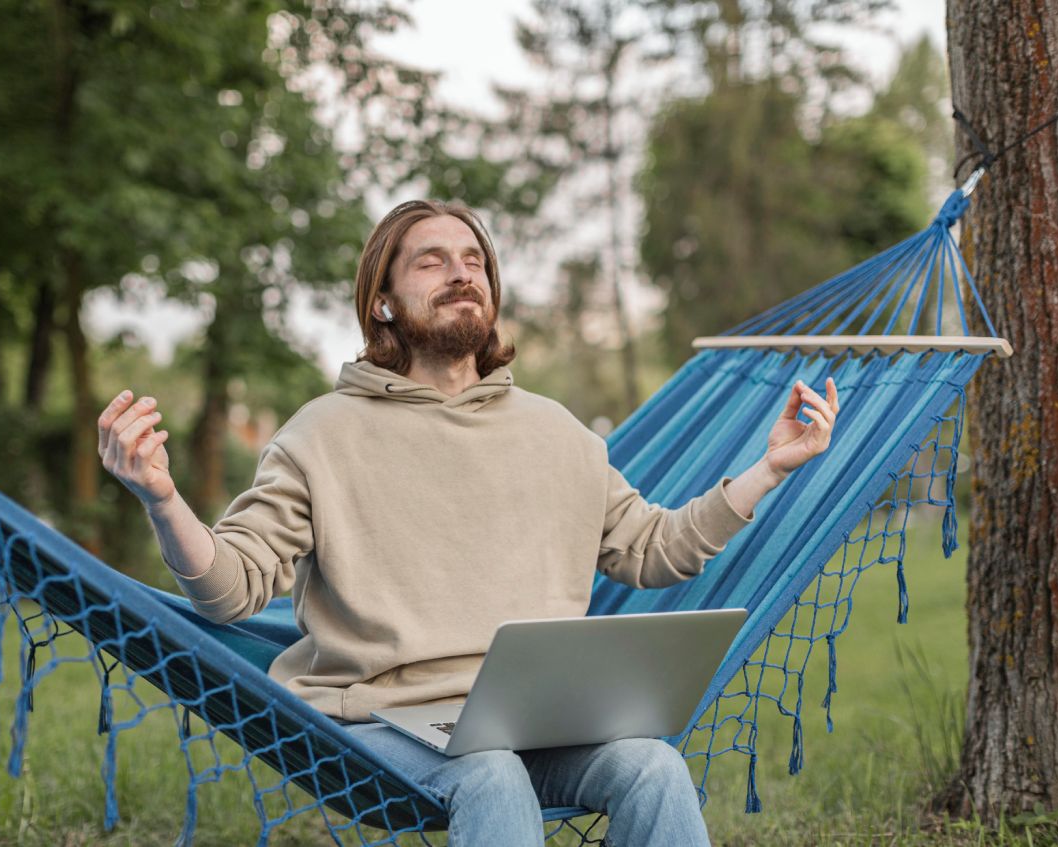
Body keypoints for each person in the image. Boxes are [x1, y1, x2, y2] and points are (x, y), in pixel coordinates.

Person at [97, 199, 840, 846]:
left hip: (532, 719)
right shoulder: (321, 435)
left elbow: (655, 550)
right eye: (431, 261)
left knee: (652, 763)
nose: (461, 272)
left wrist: (768, 467)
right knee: (491, 775)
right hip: (382, 726)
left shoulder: (557, 433)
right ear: (382, 300)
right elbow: (230, 593)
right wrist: (163, 497)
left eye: (474, 259)